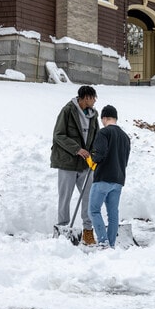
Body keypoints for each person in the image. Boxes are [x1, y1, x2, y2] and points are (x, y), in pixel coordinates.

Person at [51, 85, 99, 245]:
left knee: (89, 196)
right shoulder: (68, 111)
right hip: (68, 162)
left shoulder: (93, 115)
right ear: (86, 98)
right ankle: (64, 230)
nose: (95, 101)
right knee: (65, 197)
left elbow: (96, 137)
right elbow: (58, 135)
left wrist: (94, 154)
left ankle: (88, 231)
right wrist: (77, 149)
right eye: (93, 98)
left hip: (86, 164)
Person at [88, 105, 131, 248]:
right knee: (113, 214)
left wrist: (90, 159)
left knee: (94, 210)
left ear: (105, 118)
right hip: (118, 179)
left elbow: (99, 155)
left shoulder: (103, 133)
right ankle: (111, 244)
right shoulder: (125, 137)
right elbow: (125, 159)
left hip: (103, 178)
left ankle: (103, 241)